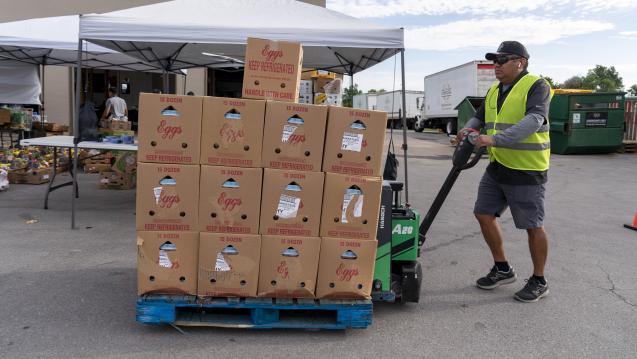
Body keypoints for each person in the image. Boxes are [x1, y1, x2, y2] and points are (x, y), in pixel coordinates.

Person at [458, 41, 551, 303]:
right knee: (483, 214)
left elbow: (534, 120)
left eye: (502, 60)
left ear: (519, 62)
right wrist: (467, 129)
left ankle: (539, 280)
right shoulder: (494, 90)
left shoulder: (537, 85)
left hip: (526, 169)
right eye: (494, 60)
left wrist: (494, 139)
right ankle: (502, 268)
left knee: (532, 226)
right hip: (498, 166)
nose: (495, 65)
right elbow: (480, 117)